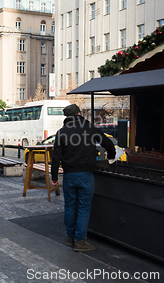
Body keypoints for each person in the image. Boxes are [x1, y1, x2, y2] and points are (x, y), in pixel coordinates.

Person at [51, 104, 115, 252]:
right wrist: (111, 158)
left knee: (70, 207)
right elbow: (108, 144)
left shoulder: (61, 132)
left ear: (67, 116)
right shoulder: (90, 127)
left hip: (69, 176)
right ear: (79, 113)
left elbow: (55, 157)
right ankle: (80, 241)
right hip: (86, 174)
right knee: (84, 208)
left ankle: (70, 238)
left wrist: (54, 176)